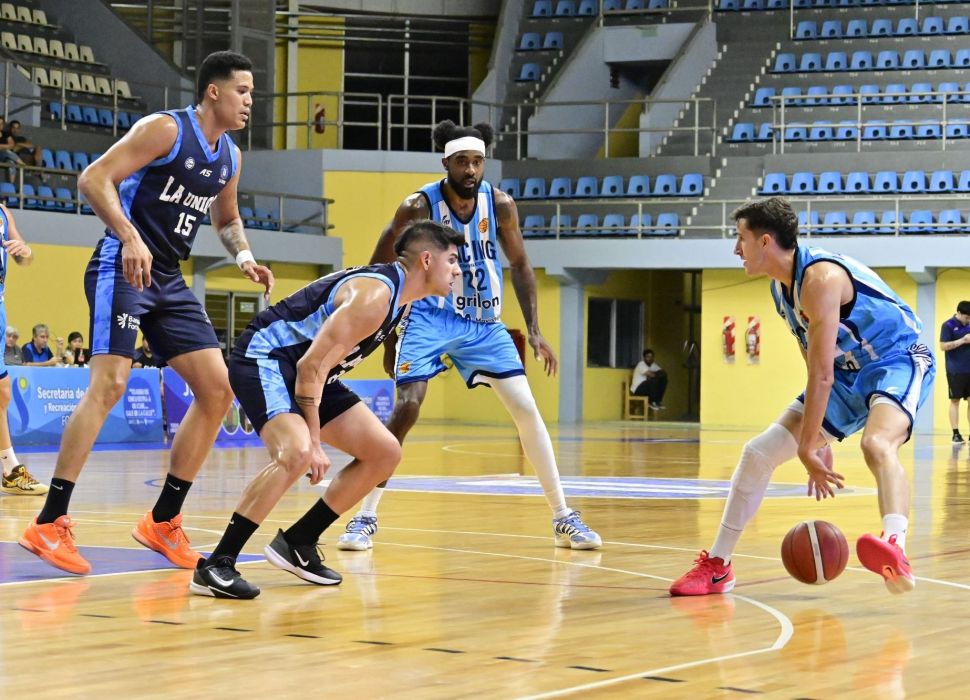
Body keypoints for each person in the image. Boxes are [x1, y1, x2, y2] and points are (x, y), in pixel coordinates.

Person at [20, 50, 274, 576]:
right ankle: (48, 521)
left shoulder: (230, 156)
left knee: (217, 390)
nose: (251, 101)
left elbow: (227, 218)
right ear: (214, 92)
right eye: (243, 91)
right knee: (110, 384)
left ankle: (162, 521)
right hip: (122, 264)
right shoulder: (166, 130)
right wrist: (130, 236)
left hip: (169, 278)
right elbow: (93, 179)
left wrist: (244, 257)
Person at [336, 120, 601, 552]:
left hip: (484, 323)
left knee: (526, 408)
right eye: (462, 161)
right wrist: (383, 333)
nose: (471, 169)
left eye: (478, 161)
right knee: (407, 409)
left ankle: (563, 516)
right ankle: (365, 517)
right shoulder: (417, 206)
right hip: (429, 317)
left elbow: (521, 264)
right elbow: (380, 269)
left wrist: (534, 329)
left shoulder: (500, 205)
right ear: (446, 163)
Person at [670, 197, 934, 597]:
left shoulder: (821, 279)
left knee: (877, 443)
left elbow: (821, 374)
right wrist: (817, 435)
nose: (736, 249)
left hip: (895, 359)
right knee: (758, 454)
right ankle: (718, 567)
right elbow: (813, 360)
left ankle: (895, 546)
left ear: (765, 241)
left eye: (740, 238)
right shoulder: (781, 289)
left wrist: (810, 444)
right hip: (845, 374)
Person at [190, 220, 463, 599]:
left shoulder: (402, 301)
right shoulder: (374, 296)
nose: (458, 271)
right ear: (427, 260)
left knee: (385, 453)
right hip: (267, 358)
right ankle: (217, 564)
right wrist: (315, 442)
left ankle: (299, 542)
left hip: (312, 372)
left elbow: (319, 368)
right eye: (452, 260)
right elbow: (309, 368)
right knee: (298, 453)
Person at [0, 204, 48, 495]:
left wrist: (25, 251)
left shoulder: (3, 212)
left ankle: (10, 470)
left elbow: (25, 258)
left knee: (2, 391)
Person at [939, 301, 970, 444]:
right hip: (955, 370)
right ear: (959, 313)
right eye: (966, 317)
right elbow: (943, 346)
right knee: (955, 401)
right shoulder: (948, 325)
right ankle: (956, 434)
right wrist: (963, 340)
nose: (968, 320)